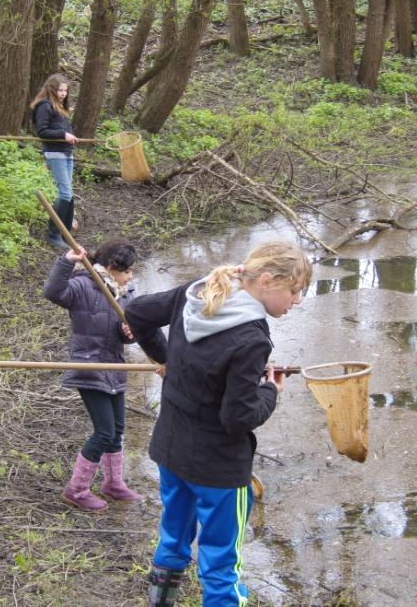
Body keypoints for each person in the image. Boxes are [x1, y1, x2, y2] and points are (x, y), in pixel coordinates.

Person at [124, 240, 312, 606]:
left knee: (174, 536)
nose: (297, 300)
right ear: (268, 280)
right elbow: (237, 418)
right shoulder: (252, 338)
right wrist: (270, 391)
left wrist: (169, 362)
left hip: (171, 449)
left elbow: (138, 314)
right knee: (221, 562)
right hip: (218, 470)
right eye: (294, 290)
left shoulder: (199, 290)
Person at [44, 238, 143, 512]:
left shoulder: (126, 291)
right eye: (127, 270)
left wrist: (130, 334)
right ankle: (76, 490)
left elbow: (130, 332)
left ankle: (113, 484)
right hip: (89, 367)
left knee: (118, 430)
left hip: (116, 367)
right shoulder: (83, 284)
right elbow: (53, 292)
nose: (131, 275)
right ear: (111, 267)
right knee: (104, 431)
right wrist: (66, 262)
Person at [30, 73, 79, 248]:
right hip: (55, 153)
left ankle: (66, 234)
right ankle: (53, 233)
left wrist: (69, 137)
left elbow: (61, 129)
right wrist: (62, 134)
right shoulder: (45, 106)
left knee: (69, 193)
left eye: (65, 90)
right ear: (52, 89)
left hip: (66, 153)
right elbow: (42, 132)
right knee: (65, 193)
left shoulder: (60, 107)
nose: (63, 93)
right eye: (60, 90)